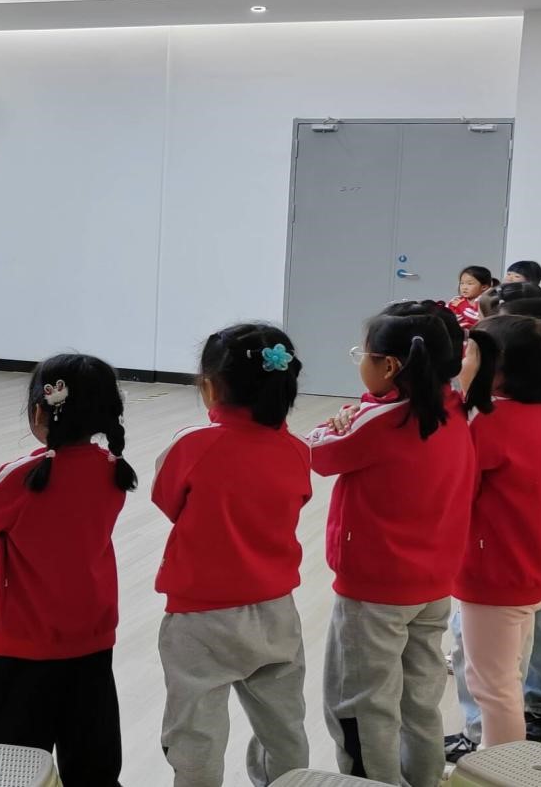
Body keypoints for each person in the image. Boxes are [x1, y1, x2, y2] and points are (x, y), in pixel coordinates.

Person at [306, 311, 477, 786]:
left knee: (363, 704)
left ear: (389, 366)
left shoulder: (379, 420)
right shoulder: (455, 408)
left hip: (374, 589)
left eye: (363, 355)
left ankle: (373, 781)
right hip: (434, 582)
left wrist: (337, 421)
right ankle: (422, 778)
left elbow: (316, 453)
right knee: (419, 698)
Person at [154, 324, 311, 787]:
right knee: (284, 728)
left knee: (196, 735)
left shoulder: (193, 445)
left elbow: (168, 500)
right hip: (276, 611)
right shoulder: (297, 450)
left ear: (209, 386)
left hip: (201, 617)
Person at [0, 354, 137, 786]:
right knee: (92, 760)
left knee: (8, 765)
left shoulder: (24, 475)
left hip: (19, 639)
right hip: (89, 634)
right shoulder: (114, 471)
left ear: (39, 411)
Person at [455, 316, 541, 748]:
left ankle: (502, 768)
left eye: (470, 353)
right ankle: (504, 762)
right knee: (505, 677)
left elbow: (457, 490)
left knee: (493, 686)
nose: (462, 361)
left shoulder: (490, 420)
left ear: (497, 366)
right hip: (535, 565)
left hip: (498, 573)